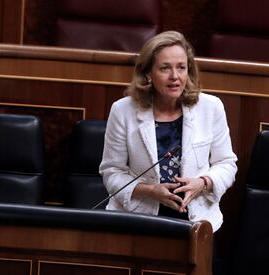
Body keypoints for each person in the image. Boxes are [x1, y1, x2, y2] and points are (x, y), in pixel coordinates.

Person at [99, 31, 237, 233]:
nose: (175, 76)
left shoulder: (211, 107)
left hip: (196, 219)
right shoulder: (123, 111)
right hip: (138, 217)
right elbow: (112, 172)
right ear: (148, 73)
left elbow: (226, 164)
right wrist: (150, 191)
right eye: (165, 68)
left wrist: (203, 183)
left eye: (181, 68)